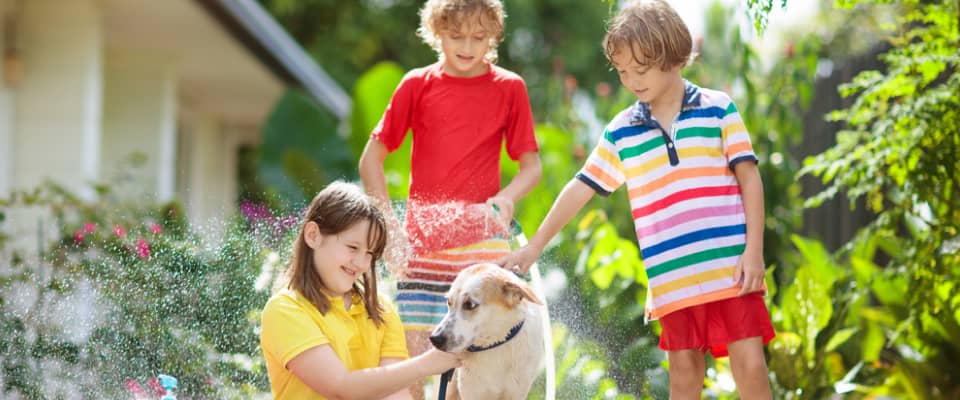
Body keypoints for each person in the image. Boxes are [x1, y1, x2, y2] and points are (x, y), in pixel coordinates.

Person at [497, 1, 775, 398]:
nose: (631, 80)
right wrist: (535, 247)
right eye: (623, 71)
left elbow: (750, 179)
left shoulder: (719, 109)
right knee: (683, 371)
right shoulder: (622, 131)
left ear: (673, 59)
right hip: (672, 277)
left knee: (750, 366)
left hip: (731, 267)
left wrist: (754, 250)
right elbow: (581, 187)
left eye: (640, 70)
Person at [358, 0, 541, 398]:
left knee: (477, 366)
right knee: (414, 361)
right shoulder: (416, 85)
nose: (468, 46)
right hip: (420, 246)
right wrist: (390, 231)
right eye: (456, 36)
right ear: (436, 31)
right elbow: (371, 160)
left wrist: (507, 198)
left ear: (493, 36)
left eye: (479, 37)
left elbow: (532, 168)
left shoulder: (510, 88)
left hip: (482, 247)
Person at [259, 181, 461, 400]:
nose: (361, 263)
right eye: (352, 247)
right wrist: (426, 364)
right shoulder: (286, 310)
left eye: (370, 254)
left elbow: (395, 393)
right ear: (313, 235)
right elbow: (341, 388)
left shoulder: (380, 311)